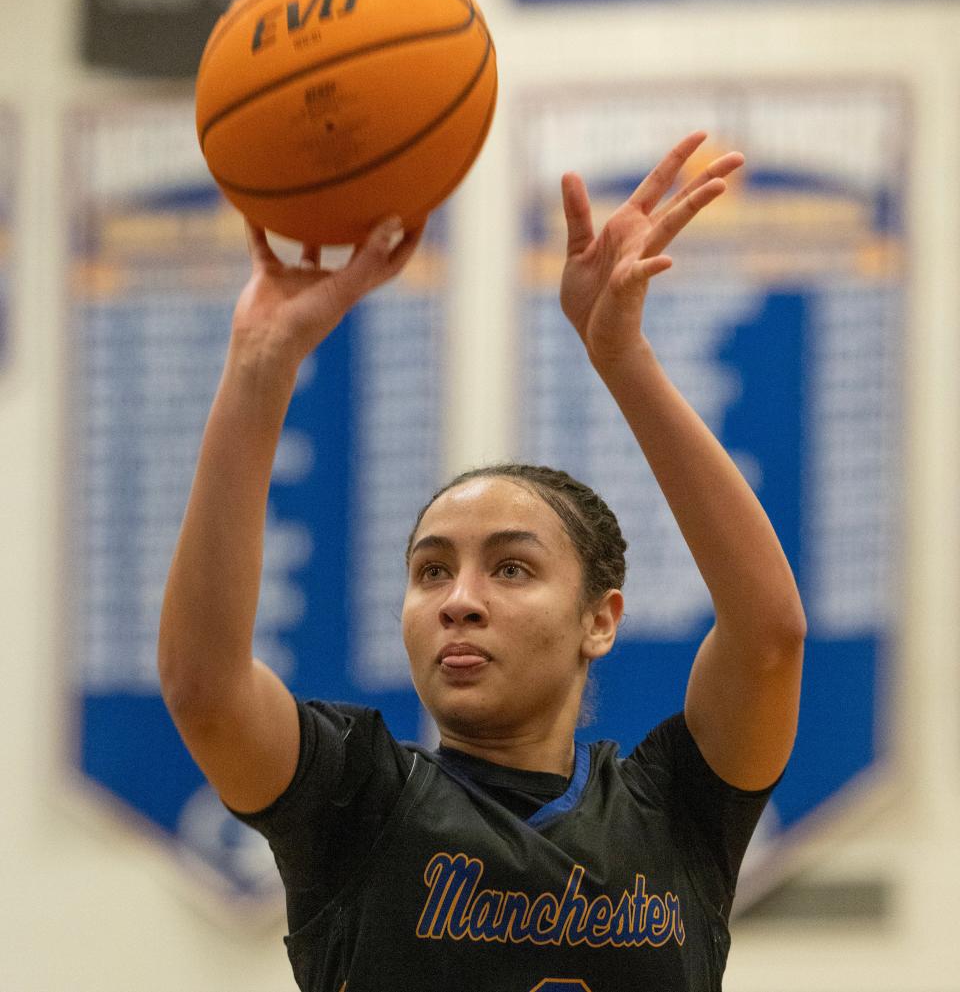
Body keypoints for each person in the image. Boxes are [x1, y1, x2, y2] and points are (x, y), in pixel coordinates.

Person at [158, 131, 805, 991]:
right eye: (431, 571)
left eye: (510, 568)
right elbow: (206, 684)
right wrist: (262, 361)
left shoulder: (674, 809)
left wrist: (623, 357)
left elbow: (768, 635)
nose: (458, 600)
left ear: (600, 619)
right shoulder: (357, 801)